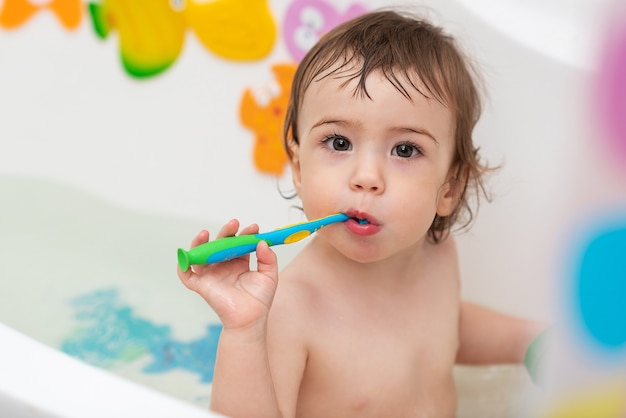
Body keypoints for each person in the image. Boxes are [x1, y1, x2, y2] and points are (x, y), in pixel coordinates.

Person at [178, 9, 545, 418]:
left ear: (449, 188)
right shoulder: (293, 308)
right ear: (299, 168)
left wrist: (529, 341)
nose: (366, 178)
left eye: (405, 149)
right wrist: (244, 331)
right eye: (338, 142)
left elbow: (443, 329)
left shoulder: (437, 253)